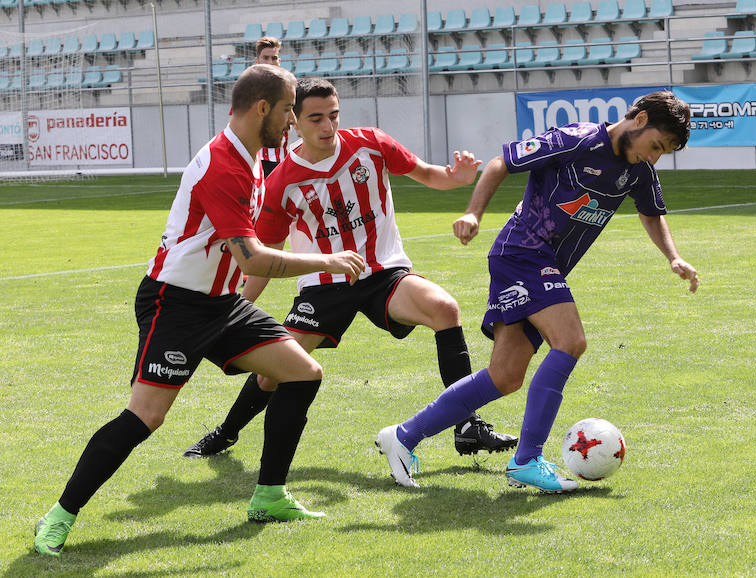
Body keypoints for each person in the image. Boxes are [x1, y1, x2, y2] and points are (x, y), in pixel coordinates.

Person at [32, 65, 366, 557]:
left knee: (302, 372)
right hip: (176, 304)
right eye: (290, 109)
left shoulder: (251, 155)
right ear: (262, 110)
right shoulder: (223, 166)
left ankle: (269, 495)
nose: (294, 119)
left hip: (223, 304)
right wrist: (329, 261)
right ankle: (59, 516)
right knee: (146, 416)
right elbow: (253, 258)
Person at [376, 90, 699, 492]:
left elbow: (651, 213)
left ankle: (403, 436)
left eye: (663, 152)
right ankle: (527, 459)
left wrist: (673, 257)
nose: (654, 157)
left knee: (505, 376)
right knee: (571, 341)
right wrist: (473, 213)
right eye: (656, 146)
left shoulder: (638, 172)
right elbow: (500, 163)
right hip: (522, 254)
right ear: (640, 119)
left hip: (541, 266)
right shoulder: (575, 139)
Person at [182, 76, 518, 462]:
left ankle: (467, 425)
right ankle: (225, 433)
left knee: (444, 308)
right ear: (293, 120)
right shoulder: (282, 182)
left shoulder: (371, 144)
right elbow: (266, 254)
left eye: (333, 115)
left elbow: (426, 173)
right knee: (270, 374)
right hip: (323, 286)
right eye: (315, 119)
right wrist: (236, 306)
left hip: (383, 273)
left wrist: (455, 178)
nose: (327, 127)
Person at [254, 36, 290, 177]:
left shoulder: (289, 89)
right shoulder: (247, 90)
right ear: (257, 61)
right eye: (266, 58)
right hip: (258, 161)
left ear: (279, 61)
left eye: (274, 58)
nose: (270, 62)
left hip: (283, 160)